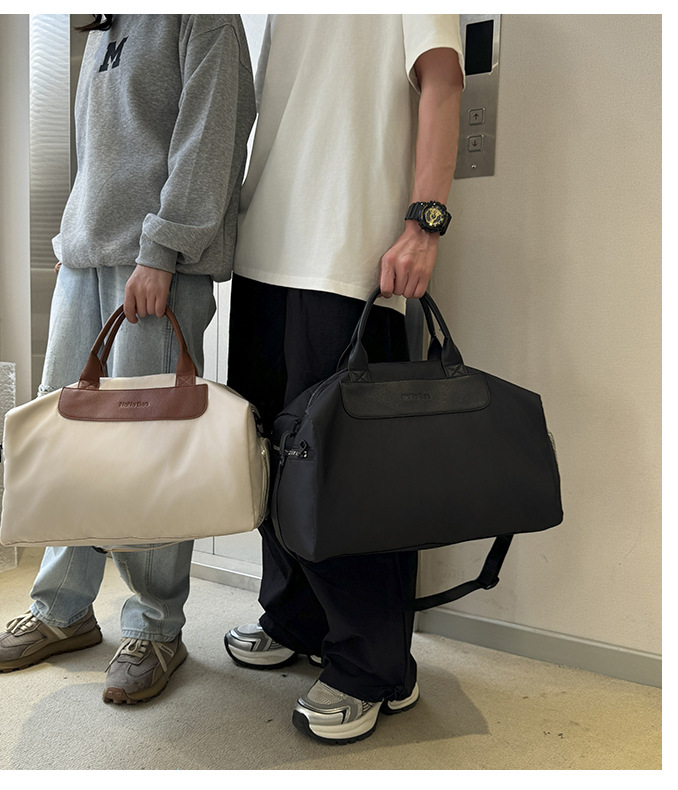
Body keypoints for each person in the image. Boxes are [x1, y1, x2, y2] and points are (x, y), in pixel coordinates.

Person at [0, 14, 256, 705]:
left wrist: (161, 250)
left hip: (156, 264)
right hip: (86, 258)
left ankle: (155, 627)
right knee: (68, 442)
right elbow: (101, 150)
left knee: (149, 451)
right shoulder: (107, 24)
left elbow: (212, 132)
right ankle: (62, 609)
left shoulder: (203, 17)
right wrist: (72, 237)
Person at [223, 14, 464, 743]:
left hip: (349, 253)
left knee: (350, 475)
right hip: (264, 243)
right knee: (269, 456)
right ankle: (295, 618)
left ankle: (374, 665)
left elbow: (442, 77)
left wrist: (425, 224)